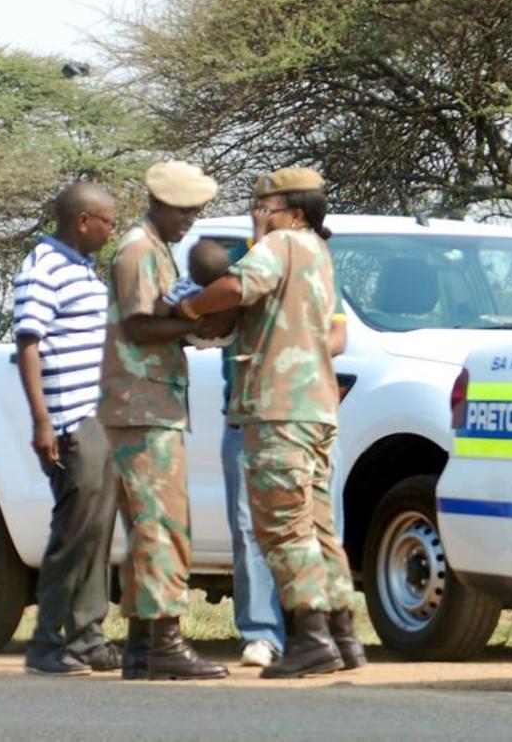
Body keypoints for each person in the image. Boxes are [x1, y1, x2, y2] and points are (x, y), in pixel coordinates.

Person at [175, 166, 364, 679]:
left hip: (279, 406)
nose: (259, 215)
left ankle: (312, 637)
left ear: (294, 212)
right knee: (320, 527)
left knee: (282, 525)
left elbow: (236, 288)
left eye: (266, 207)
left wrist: (189, 308)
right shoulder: (318, 252)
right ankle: (343, 635)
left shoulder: (280, 247)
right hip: (315, 406)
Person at [97, 161, 228, 681]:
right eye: (186, 211)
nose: (190, 222)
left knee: (147, 526)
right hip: (142, 405)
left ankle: (141, 646)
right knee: (162, 527)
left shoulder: (153, 248)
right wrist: (193, 321)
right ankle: (166, 642)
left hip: (146, 402)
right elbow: (140, 323)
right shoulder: (138, 250)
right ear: (162, 204)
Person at [13, 181, 121, 677]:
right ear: (83, 220)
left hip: (95, 417)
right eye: (108, 221)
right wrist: (43, 421)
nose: (111, 230)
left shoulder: (83, 270)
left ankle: (87, 638)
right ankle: (45, 643)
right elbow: (29, 344)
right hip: (69, 421)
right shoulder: (43, 268)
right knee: (73, 534)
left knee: (96, 534)